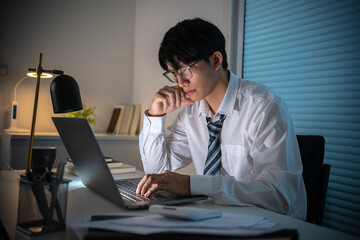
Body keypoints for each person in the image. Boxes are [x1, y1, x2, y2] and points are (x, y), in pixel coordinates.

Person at [136, 18, 307, 219]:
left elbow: (278, 196)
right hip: (217, 218)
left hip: (272, 224)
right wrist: (156, 116)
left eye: (185, 70)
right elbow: (156, 172)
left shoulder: (264, 107)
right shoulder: (191, 113)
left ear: (216, 60)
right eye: (174, 73)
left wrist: (193, 185)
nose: (181, 82)